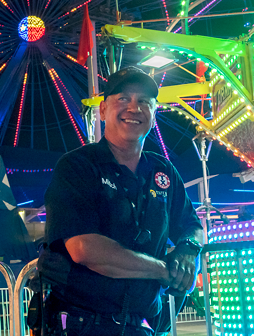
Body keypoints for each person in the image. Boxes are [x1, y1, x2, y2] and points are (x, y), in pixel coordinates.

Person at [39, 67, 203, 336]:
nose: (134, 108)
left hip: (142, 326)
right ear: (103, 110)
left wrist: (188, 251)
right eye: (123, 99)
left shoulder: (163, 172)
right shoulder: (78, 167)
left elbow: (191, 224)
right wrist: (163, 270)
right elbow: (85, 249)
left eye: (144, 102)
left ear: (154, 112)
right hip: (81, 326)